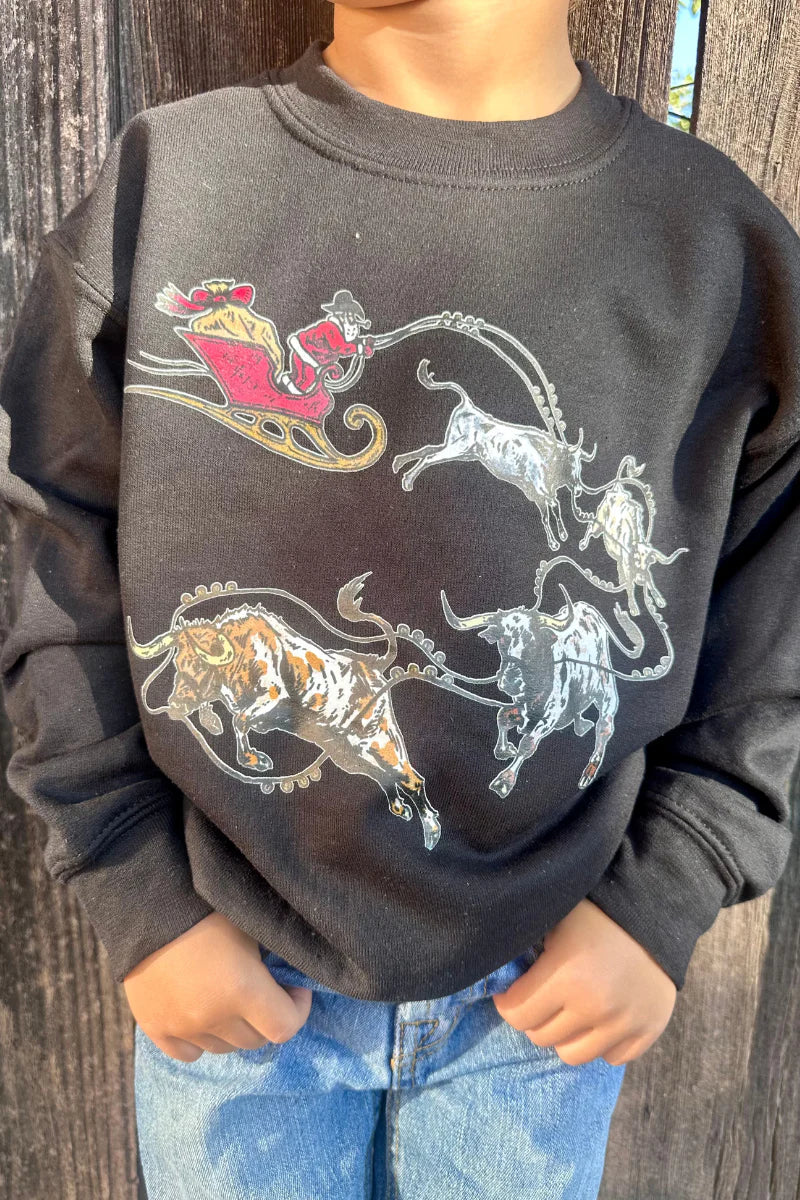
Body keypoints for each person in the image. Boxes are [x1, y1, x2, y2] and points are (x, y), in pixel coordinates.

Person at [1, 1, 798, 1196]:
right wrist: (137, 887)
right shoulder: (168, 182)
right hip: (229, 964)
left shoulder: (719, 247)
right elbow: (51, 546)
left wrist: (667, 885)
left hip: (546, 986)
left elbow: (776, 607)